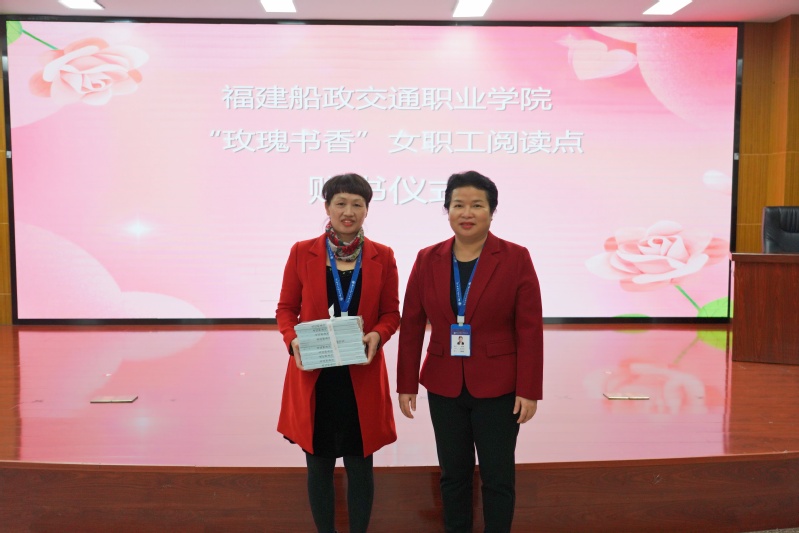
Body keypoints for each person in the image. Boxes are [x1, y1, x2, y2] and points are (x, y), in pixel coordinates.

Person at [396, 170, 543, 533]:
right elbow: (412, 323)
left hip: (500, 386)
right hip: (443, 384)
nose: (467, 213)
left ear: (492, 211)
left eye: (477, 205)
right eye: (458, 204)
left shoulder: (515, 257)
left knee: (498, 476)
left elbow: (529, 329)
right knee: (453, 475)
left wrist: (529, 389)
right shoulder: (427, 258)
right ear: (447, 210)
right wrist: (406, 383)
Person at [277, 173, 400, 533]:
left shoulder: (383, 256)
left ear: (367, 210)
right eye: (341, 203)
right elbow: (286, 309)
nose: (349, 211)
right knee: (319, 465)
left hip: (360, 374)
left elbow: (391, 313)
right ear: (327, 207)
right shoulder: (302, 252)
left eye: (357, 204)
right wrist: (292, 340)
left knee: (360, 465)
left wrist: (378, 334)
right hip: (316, 375)